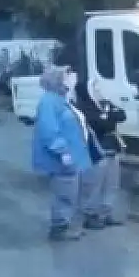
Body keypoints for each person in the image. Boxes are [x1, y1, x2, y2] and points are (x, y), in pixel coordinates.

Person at [30, 66, 91, 241]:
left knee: (71, 190)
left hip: (72, 156)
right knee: (64, 191)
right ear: (58, 80)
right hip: (62, 158)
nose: (73, 76)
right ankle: (59, 227)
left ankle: (67, 224)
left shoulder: (61, 99)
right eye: (68, 75)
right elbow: (48, 130)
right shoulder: (49, 102)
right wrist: (62, 151)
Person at [72, 78, 128, 228]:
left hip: (112, 149)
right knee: (93, 185)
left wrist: (108, 115)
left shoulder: (104, 103)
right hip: (96, 151)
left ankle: (105, 213)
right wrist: (108, 116)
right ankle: (90, 215)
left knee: (111, 184)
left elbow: (122, 115)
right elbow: (100, 125)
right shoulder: (83, 107)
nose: (98, 90)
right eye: (94, 87)